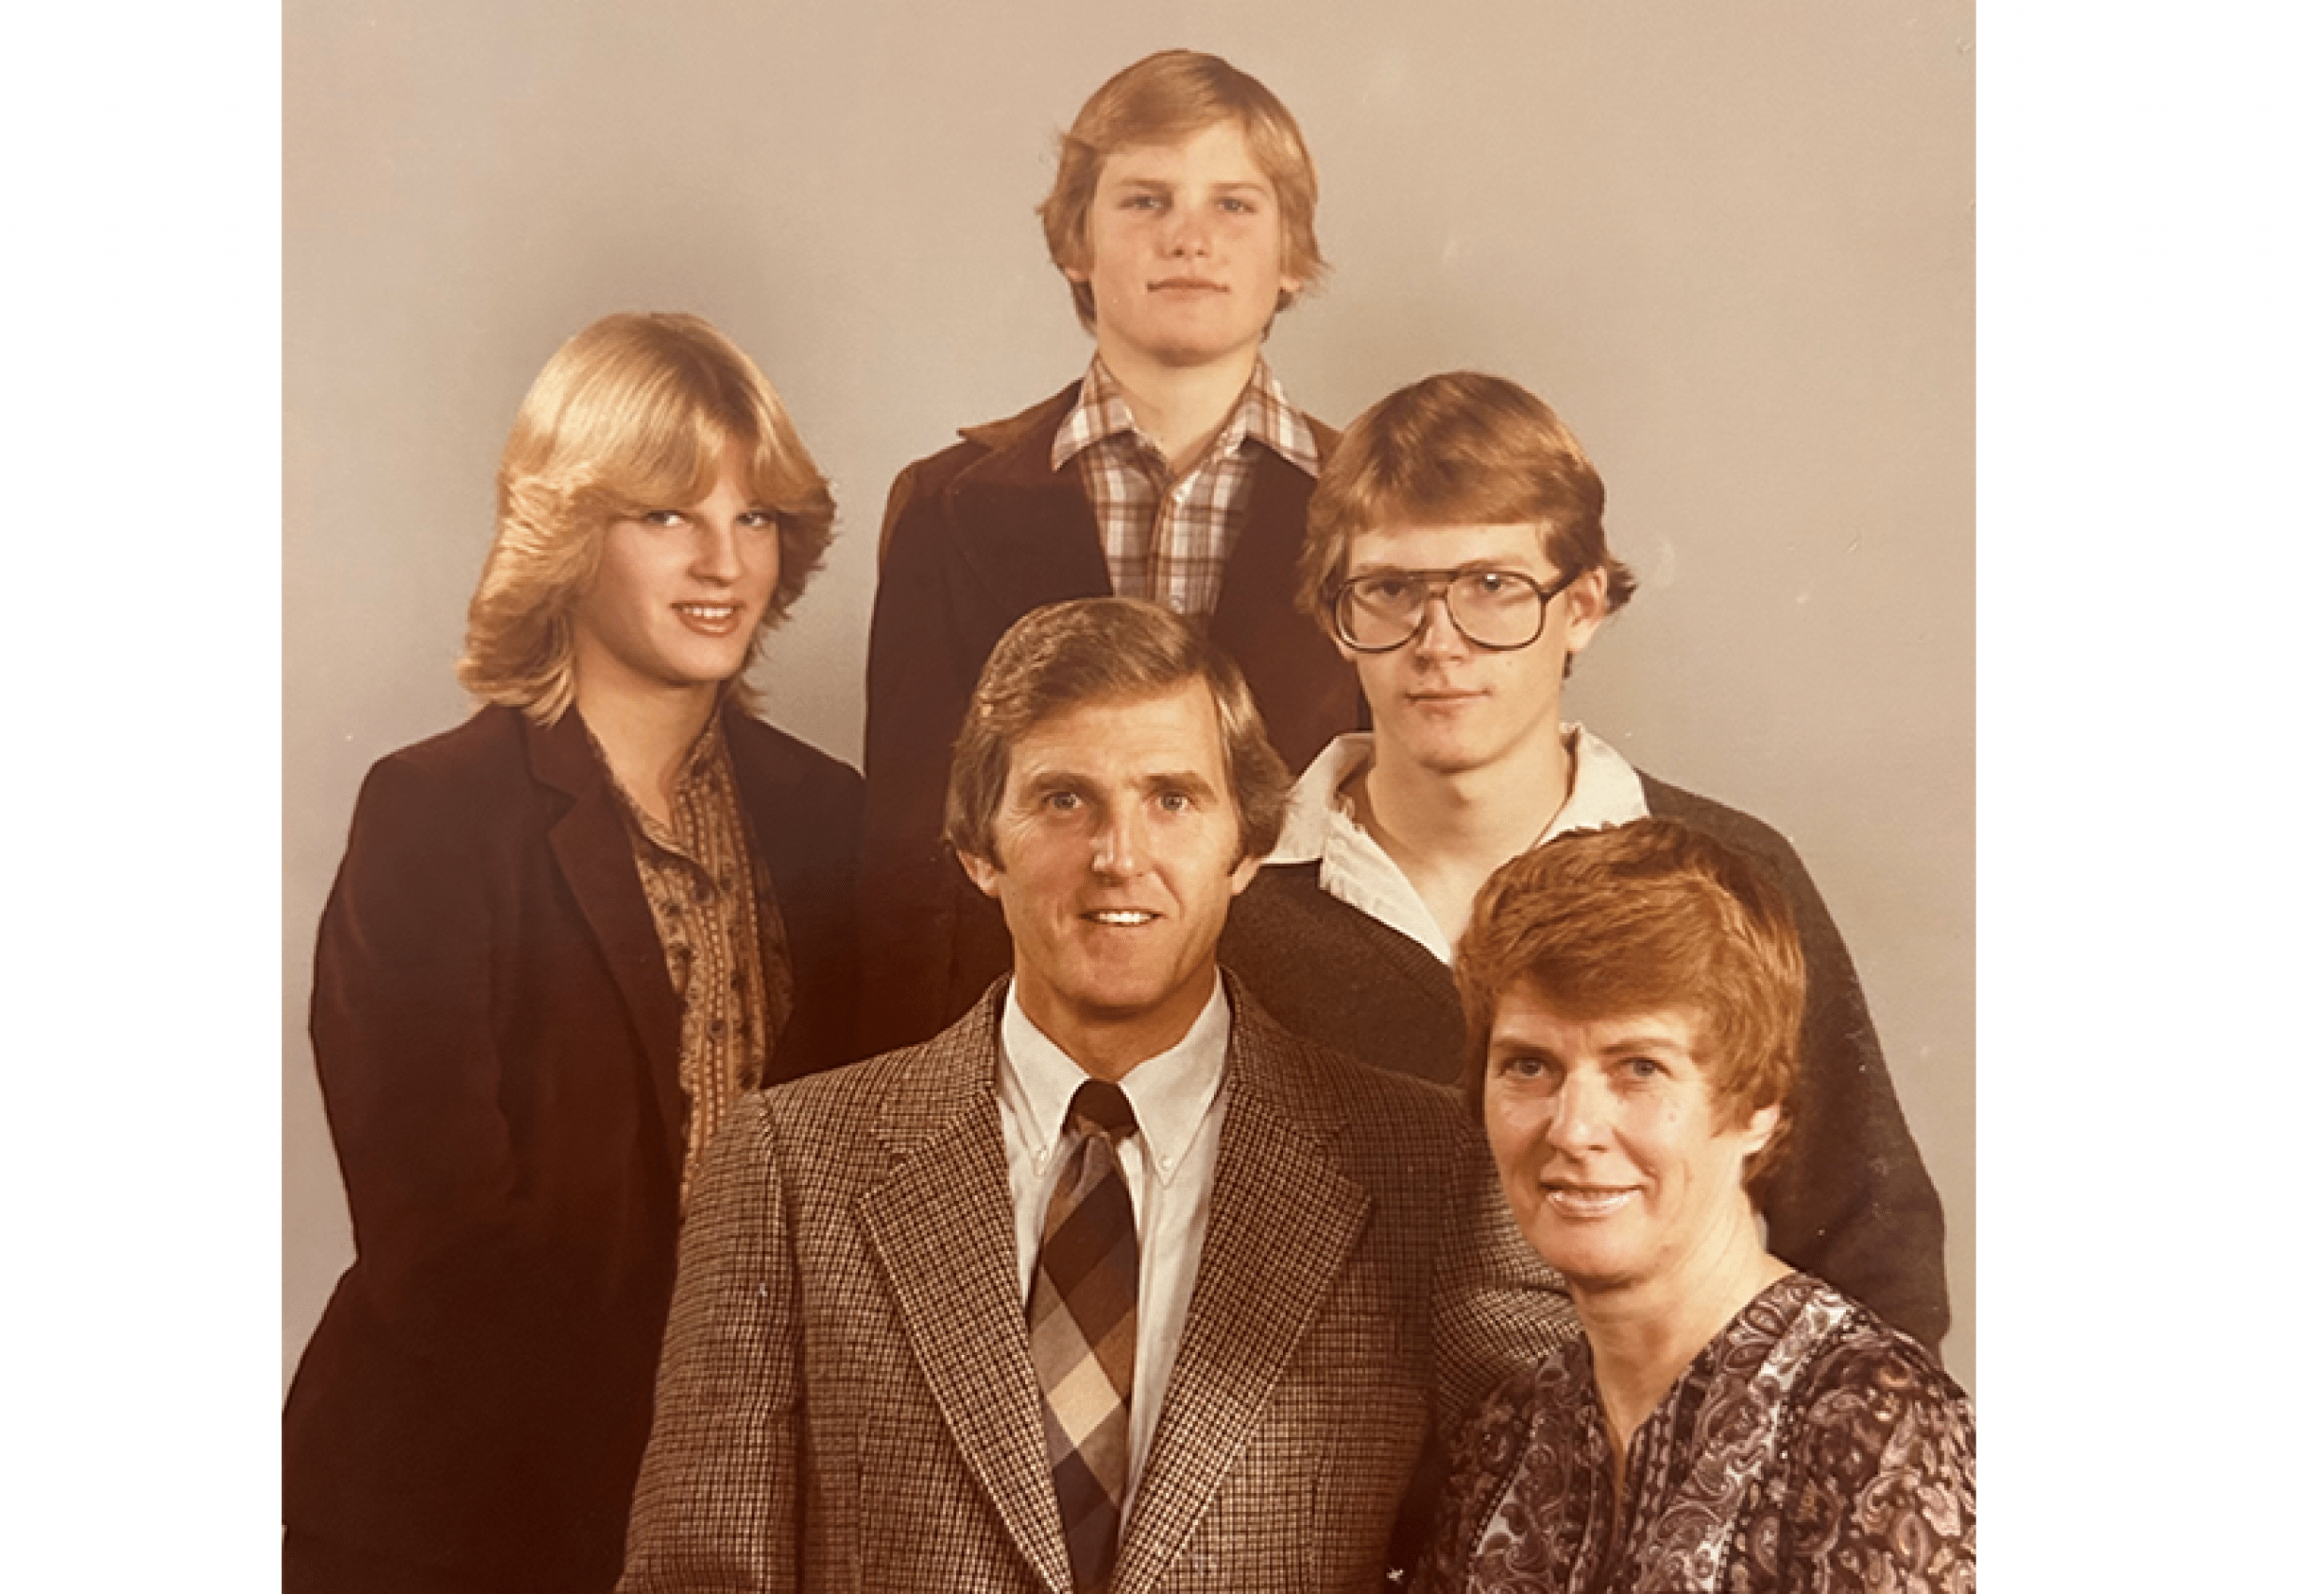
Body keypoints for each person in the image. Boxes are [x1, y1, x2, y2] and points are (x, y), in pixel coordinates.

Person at [621, 599, 1570, 1594]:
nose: (1118, 854)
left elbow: (1538, 1541)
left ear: (1247, 846)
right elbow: (697, 1575)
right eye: (1064, 799)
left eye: (1172, 798)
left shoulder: (1431, 1169)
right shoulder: (790, 1165)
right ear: (978, 848)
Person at [283, 312, 865, 1594]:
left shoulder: (832, 817)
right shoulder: (435, 812)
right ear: (565, 532)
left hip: (757, 1508)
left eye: (755, 516)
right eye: (666, 516)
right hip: (466, 1509)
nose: (723, 562)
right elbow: (440, 1240)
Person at [1215, 371, 1951, 1350]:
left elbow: (1874, 1250)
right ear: (1332, 613)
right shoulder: (1231, 897)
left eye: (1492, 587)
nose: (1439, 643)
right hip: (1324, 1444)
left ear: (1585, 604)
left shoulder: (1727, 875)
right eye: (1390, 591)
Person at [856, 49, 1360, 1057]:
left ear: (1292, 255)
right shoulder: (945, 505)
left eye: (1233, 205)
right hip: (1024, 1039)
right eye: (1144, 200)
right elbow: (910, 860)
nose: (1188, 237)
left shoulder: (1370, 508)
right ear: (1074, 243)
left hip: (1309, 1045)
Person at [1419, 818, 1974, 1592]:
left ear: (1759, 1105)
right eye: (1529, 1065)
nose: (1573, 1128)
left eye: (1640, 1067)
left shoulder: (1875, 1426)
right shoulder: (1507, 1434)